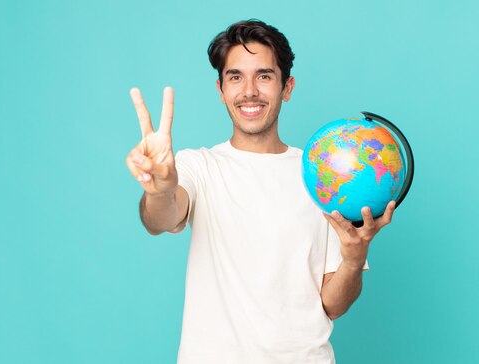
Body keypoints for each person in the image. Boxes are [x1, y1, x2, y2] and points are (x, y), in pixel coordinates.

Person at [125, 19, 396, 364]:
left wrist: (355, 260)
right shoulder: (198, 166)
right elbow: (160, 218)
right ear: (221, 89)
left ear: (287, 87)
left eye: (264, 76)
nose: (249, 90)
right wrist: (160, 189)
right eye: (235, 77)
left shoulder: (322, 177)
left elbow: (333, 304)